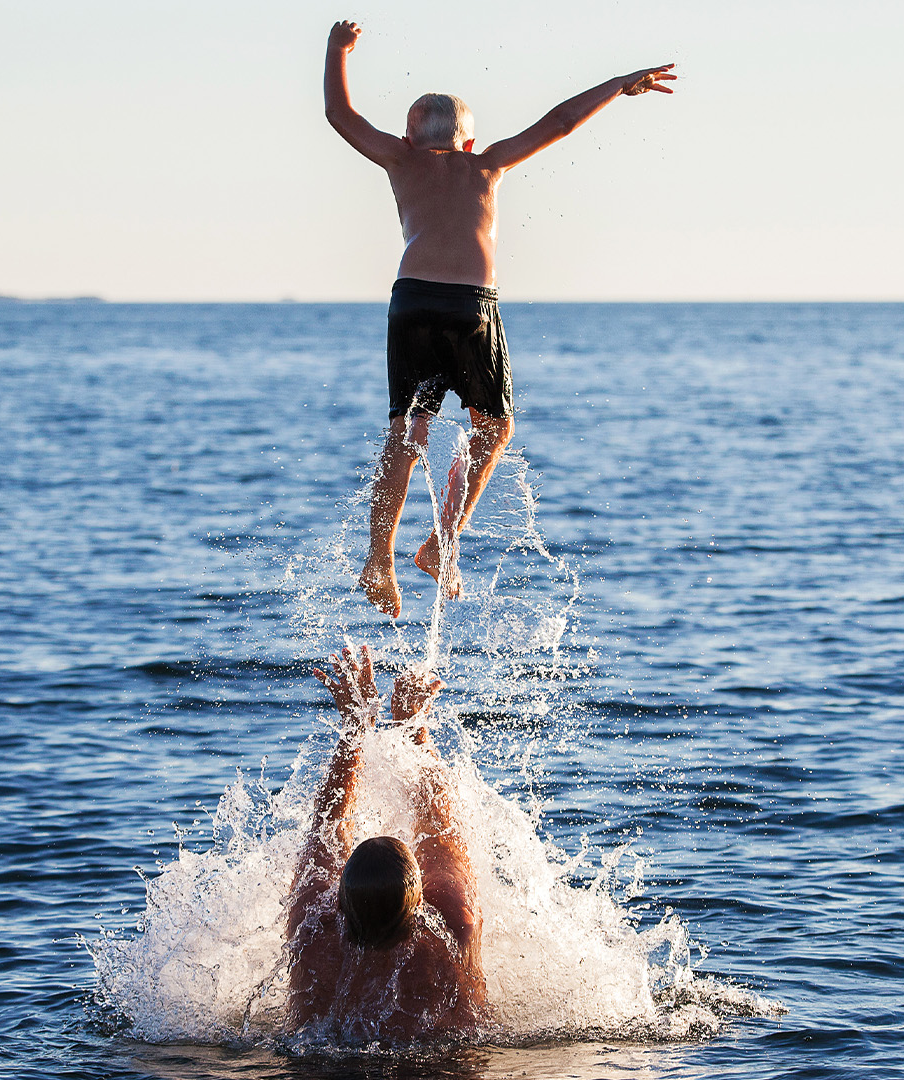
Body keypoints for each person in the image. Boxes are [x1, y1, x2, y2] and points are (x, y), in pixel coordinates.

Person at [324, 19, 677, 617]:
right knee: (494, 430)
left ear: (409, 139)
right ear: (466, 143)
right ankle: (441, 542)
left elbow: (342, 116)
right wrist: (619, 84)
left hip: (411, 300)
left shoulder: (400, 162)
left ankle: (379, 555)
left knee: (405, 436)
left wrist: (338, 51)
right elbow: (559, 123)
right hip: (471, 307)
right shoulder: (485, 165)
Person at [283, 644, 486, 1042]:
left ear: (337, 901)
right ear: (422, 904)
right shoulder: (452, 920)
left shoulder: (313, 928)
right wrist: (413, 727)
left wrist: (354, 731)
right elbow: (440, 822)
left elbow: (329, 820)